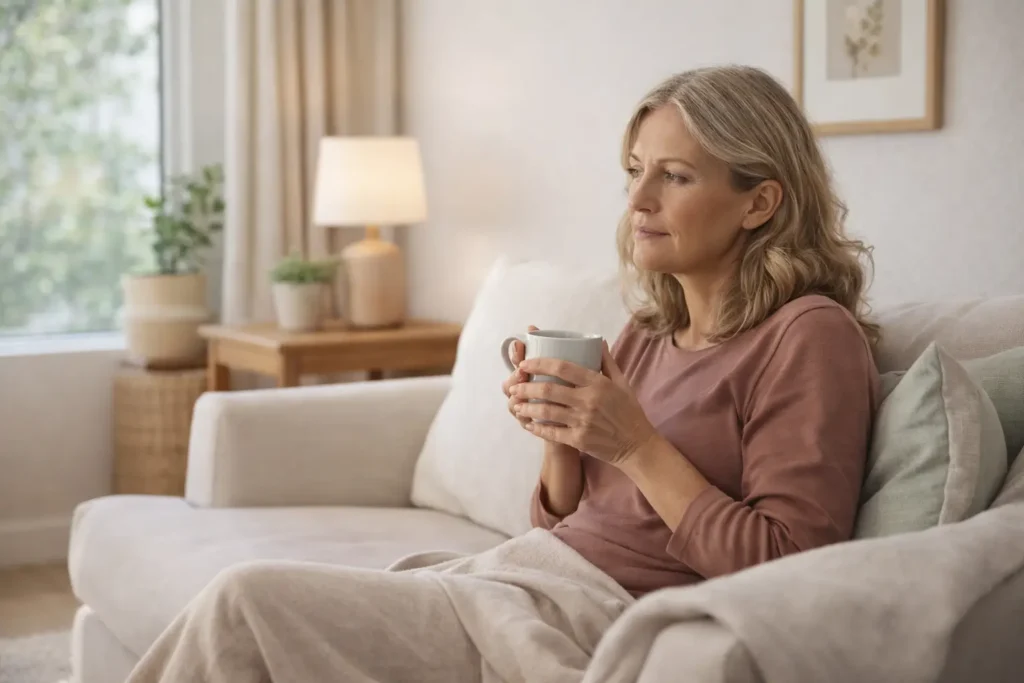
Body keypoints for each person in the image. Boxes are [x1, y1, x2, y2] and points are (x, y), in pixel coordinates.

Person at [126, 65, 879, 683]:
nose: (639, 201)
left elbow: (792, 565)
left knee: (245, 600)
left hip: (598, 613)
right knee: (251, 617)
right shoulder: (654, 328)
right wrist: (562, 439)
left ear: (761, 201)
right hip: (531, 577)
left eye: (675, 176)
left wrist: (636, 445)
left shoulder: (809, 338)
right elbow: (563, 524)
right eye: (635, 172)